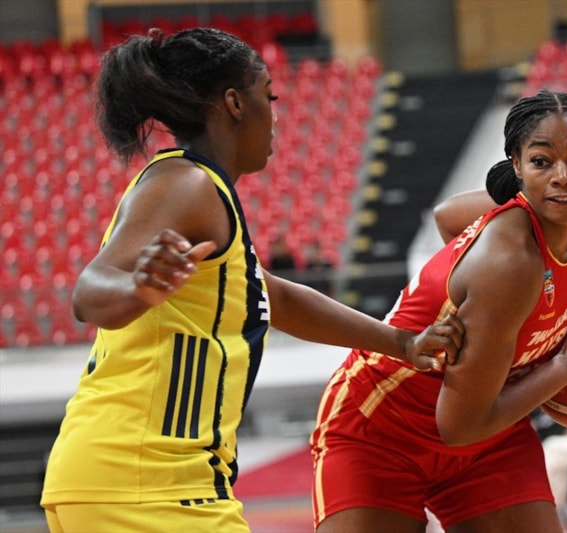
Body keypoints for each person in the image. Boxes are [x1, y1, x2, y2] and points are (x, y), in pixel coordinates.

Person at [39, 28, 465, 533]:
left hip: (131, 476)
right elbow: (91, 290)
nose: (276, 113)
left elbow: (276, 296)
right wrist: (136, 289)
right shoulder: (187, 184)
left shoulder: (200, 190)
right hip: (146, 480)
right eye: (270, 95)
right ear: (235, 103)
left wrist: (400, 342)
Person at [310, 90, 567, 532]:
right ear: (517, 165)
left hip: (488, 429)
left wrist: (505, 316)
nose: (563, 177)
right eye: (542, 162)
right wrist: (564, 368)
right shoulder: (507, 264)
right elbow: (460, 427)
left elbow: (448, 215)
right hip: (383, 427)